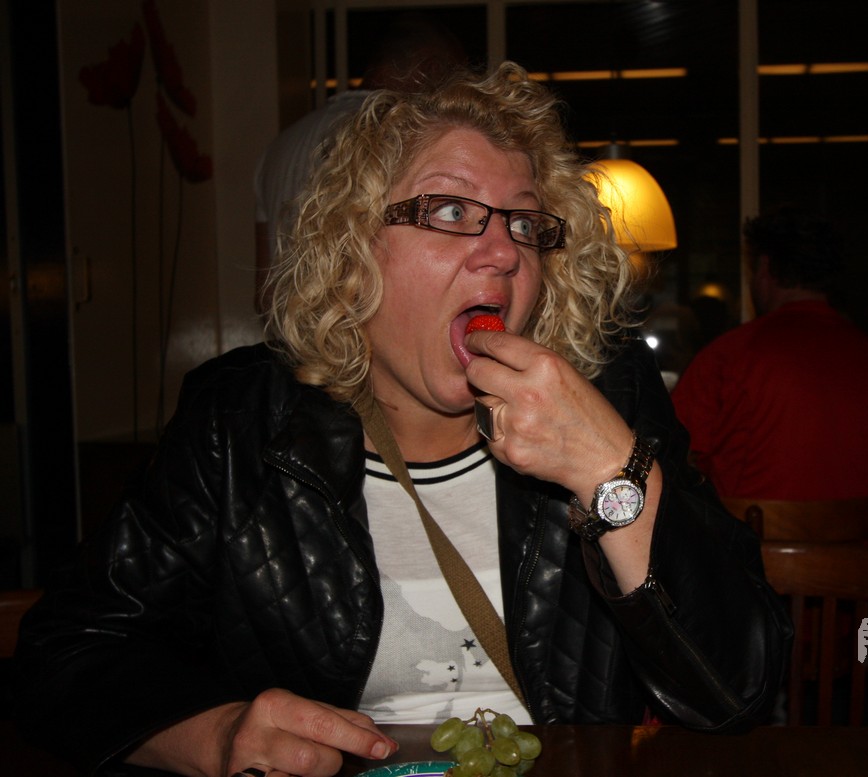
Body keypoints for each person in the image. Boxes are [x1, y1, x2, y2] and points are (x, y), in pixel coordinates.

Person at [15, 62, 790, 777]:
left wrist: (607, 469)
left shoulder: (611, 395)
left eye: (526, 224)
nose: (502, 253)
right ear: (353, 249)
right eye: (450, 209)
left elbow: (739, 691)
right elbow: (65, 652)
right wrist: (217, 736)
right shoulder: (241, 419)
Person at [671, 205, 868, 518]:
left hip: (749, 547)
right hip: (857, 550)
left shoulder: (724, 359)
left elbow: (664, 463)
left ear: (764, 267)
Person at [252, 12, 468, 314]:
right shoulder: (401, 137)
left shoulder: (279, 146)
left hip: (285, 336)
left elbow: (265, 291)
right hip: (360, 337)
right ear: (431, 70)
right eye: (456, 83)